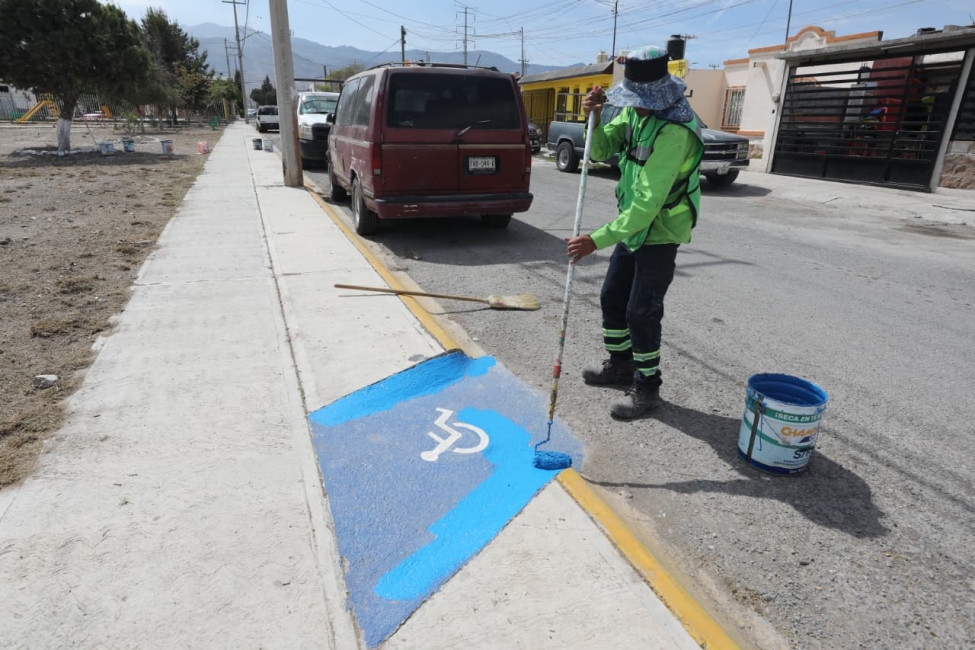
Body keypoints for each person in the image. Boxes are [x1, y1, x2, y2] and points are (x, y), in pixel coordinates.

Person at [565, 45, 704, 420]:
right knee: (612, 298)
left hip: (660, 230)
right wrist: (594, 117)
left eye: (640, 101)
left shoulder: (675, 131)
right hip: (632, 225)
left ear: (658, 98)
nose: (634, 107)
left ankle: (647, 388)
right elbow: (601, 149)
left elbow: (647, 204)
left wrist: (595, 240)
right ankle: (621, 366)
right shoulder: (634, 112)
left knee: (642, 313)